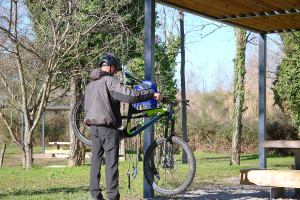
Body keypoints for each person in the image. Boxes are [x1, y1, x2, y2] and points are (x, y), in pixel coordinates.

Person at [84, 54, 163, 200]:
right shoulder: (109, 81)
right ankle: (113, 196)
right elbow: (130, 96)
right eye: (115, 70)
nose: (115, 73)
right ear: (111, 68)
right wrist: (151, 94)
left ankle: (95, 195)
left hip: (93, 127)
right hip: (107, 127)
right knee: (111, 164)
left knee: (95, 161)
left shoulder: (90, 84)